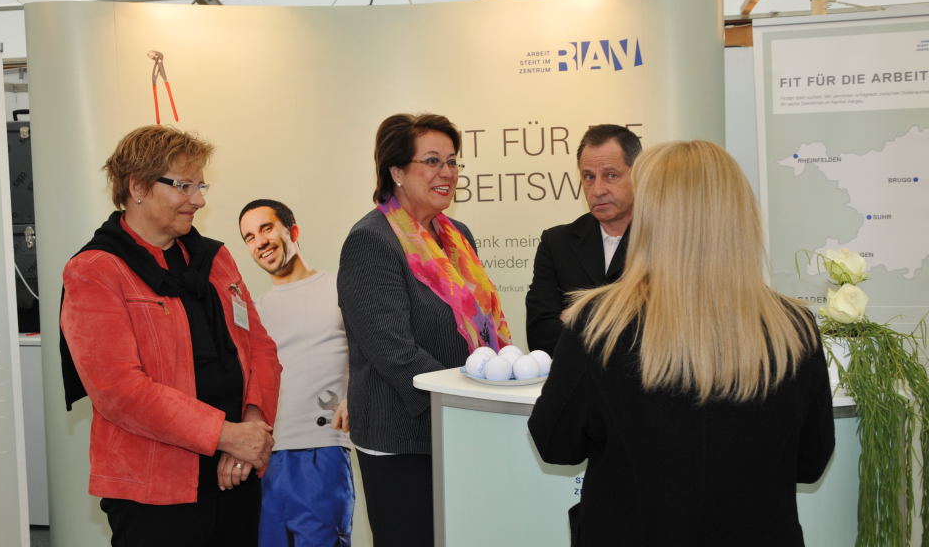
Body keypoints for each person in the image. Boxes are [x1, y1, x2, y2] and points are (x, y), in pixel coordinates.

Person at [528, 140, 835, 547]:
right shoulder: (792, 328)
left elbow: (555, 443)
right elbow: (810, 461)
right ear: (740, 216)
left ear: (651, 216)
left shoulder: (599, 325)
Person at [59, 125, 281, 547]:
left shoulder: (214, 258)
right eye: (184, 186)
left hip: (234, 471)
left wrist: (250, 428)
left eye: (200, 186)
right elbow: (119, 391)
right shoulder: (95, 270)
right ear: (137, 187)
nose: (198, 200)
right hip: (153, 487)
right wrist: (226, 434)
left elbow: (260, 349)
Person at [337, 113, 512, 547]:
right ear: (396, 171)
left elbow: (479, 328)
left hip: (459, 426)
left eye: (452, 162)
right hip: (403, 437)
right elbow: (393, 352)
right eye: (432, 161)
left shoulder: (457, 235)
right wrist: (467, 402)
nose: (447, 173)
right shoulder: (371, 240)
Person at [238, 199, 354, 547]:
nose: (260, 241)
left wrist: (356, 395)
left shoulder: (339, 288)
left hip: (322, 451)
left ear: (293, 231)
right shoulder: (253, 311)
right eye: (249, 237)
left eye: (266, 228)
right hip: (264, 459)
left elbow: (371, 352)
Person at [525, 124, 642, 353]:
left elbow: (662, 335)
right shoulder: (556, 243)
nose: (597, 190)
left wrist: (575, 319)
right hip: (573, 377)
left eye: (611, 175)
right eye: (589, 177)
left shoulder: (662, 240)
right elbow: (541, 335)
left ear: (638, 174)